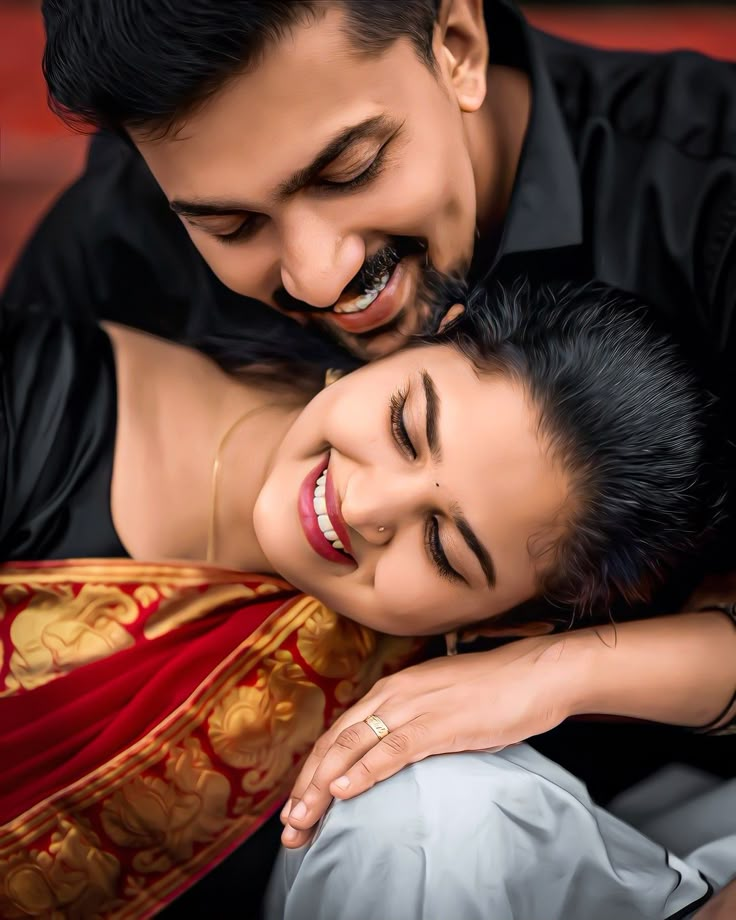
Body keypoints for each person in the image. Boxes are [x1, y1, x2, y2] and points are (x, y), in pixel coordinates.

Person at [1, 278, 734, 918]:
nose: (364, 505)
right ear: (429, 335)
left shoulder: (456, 690)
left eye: (445, 549)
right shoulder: (34, 404)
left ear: (513, 620)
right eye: (405, 427)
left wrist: (554, 676)